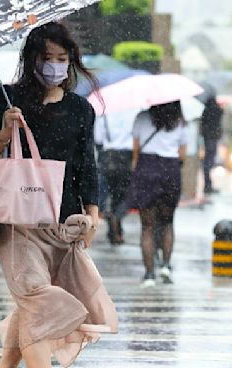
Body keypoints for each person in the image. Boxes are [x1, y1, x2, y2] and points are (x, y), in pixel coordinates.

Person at [0, 22, 117, 368]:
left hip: (63, 221)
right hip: (15, 219)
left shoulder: (80, 109)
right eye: (46, 57)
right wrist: (5, 132)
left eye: (61, 57)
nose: (54, 64)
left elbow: (86, 164)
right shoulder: (3, 99)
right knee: (37, 299)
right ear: (31, 60)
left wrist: (93, 213)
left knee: (31, 307)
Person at [127, 101, 188, 288]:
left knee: (147, 226)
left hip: (146, 168)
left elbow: (135, 149)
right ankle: (166, 265)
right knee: (168, 222)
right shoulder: (180, 122)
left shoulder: (141, 117)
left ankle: (149, 275)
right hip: (170, 170)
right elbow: (182, 155)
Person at [94, 112, 135, 244]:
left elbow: (98, 139)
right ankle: (116, 219)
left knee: (109, 194)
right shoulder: (134, 111)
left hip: (108, 158)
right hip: (127, 158)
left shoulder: (103, 114)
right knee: (123, 195)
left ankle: (112, 222)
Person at [201, 96, 223, 194]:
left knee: (207, 161)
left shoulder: (205, 111)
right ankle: (208, 185)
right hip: (213, 138)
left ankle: (207, 184)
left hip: (207, 138)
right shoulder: (217, 110)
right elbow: (221, 113)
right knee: (209, 161)